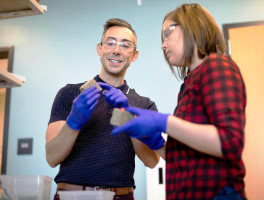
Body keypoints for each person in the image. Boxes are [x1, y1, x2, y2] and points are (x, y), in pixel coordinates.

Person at [109, 4, 247, 200]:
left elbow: (229, 142)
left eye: (167, 33)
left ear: (193, 27)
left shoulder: (217, 65)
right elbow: (186, 159)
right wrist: (156, 143)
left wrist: (163, 122)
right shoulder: (189, 83)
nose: (163, 45)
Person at [45, 18, 160, 200]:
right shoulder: (71, 93)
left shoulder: (143, 105)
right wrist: (74, 121)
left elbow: (152, 161)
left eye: (125, 45)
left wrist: (129, 118)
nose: (116, 50)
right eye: (110, 43)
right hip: (71, 195)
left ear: (134, 55)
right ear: (100, 49)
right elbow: (52, 157)